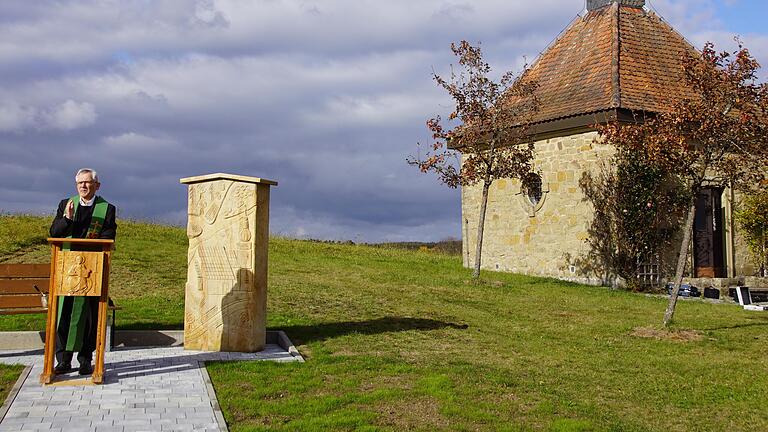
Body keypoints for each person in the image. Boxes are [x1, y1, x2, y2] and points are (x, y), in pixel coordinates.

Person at [49, 168, 116, 375]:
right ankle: (63, 360)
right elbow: (54, 232)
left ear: (97, 185)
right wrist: (67, 219)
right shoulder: (66, 205)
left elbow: (109, 235)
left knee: (89, 316)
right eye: (80, 183)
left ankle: (86, 360)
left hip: (91, 271)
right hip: (67, 270)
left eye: (87, 183)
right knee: (64, 314)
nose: (83, 187)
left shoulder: (107, 209)